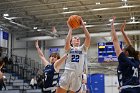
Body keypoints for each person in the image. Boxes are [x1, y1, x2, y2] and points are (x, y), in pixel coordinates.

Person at [56, 16, 91, 93]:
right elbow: (67, 41)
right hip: (67, 73)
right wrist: (70, 29)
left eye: (78, 38)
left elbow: (88, 38)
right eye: (75, 38)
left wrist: (83, 26)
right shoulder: (69, 49)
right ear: (71, 42)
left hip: (77, 75)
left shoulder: (83, 49)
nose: (77, 39)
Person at [111, 16, 140, 93]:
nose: (122, 50)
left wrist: (112, 25)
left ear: (126, 53)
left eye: (123, 50)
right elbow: (131, 47)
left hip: (127, 90)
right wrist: (122, 31)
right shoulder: (136, 61)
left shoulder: (125, 60)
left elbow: (115, 40)